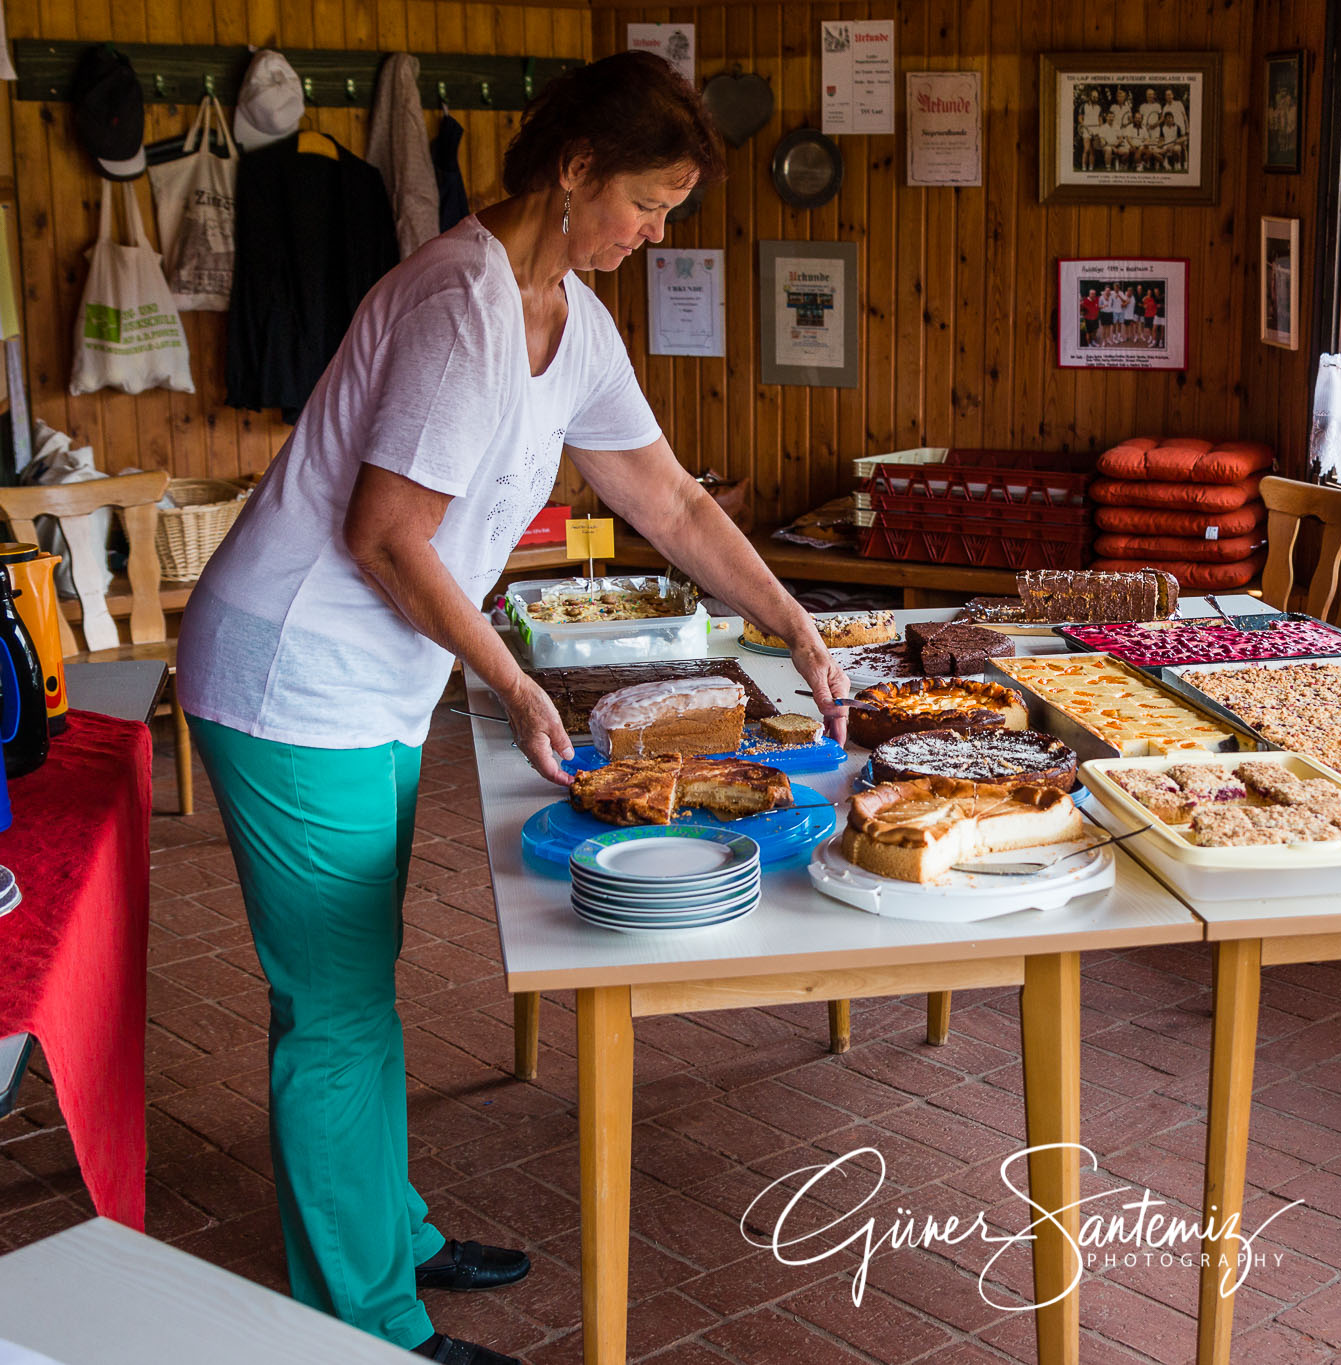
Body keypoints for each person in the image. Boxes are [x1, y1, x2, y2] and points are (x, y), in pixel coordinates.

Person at [174, 51, 851, 1365]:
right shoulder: (458, 308)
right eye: (647, 205)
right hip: (289, 673)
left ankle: (386, 1229)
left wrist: (789, 617)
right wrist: (514, 676)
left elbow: (674, 503)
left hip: (368, 682)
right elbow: (388, 532)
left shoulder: (569, 317)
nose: (655, 236)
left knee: (355, 980)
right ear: (576, 166)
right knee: (336, 1003)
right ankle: (365, 1319)